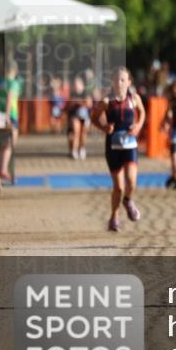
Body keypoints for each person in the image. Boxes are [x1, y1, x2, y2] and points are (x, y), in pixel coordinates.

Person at [91, 67, 146, 232]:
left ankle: (128, 201)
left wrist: (138, 126)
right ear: (112, 83)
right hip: (113, 146)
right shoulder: (107, 101)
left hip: (130, 145)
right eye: (116, 80)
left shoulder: (134, 98)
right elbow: (94, 118)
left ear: (129, 82)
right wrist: (104, 127)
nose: (119, 83)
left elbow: (142, 113)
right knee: (119, 187)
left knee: (132, 180)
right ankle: (114, 216)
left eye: (123, 80)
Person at [0, 63, 23, 182]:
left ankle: (0, 170)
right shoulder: (14, 83)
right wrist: (7, 116)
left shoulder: (0, 82)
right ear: (15, 71)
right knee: (10, 145)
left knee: (2, 145)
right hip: (10, 116)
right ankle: (4, 171)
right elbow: (10, 98)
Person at [66, 74, 92, 160]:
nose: (77, 86)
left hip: (85, 117)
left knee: (83, 134)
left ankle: (82, 149)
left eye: (79, 84)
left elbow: (89, 104)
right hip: (74, 116)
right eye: (75, 84)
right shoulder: (72, 94)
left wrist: (79, 102)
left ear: (83, 85)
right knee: (75, 132)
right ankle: (74, 151)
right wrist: (73, 103)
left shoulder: (86, 94)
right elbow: (68, 106)